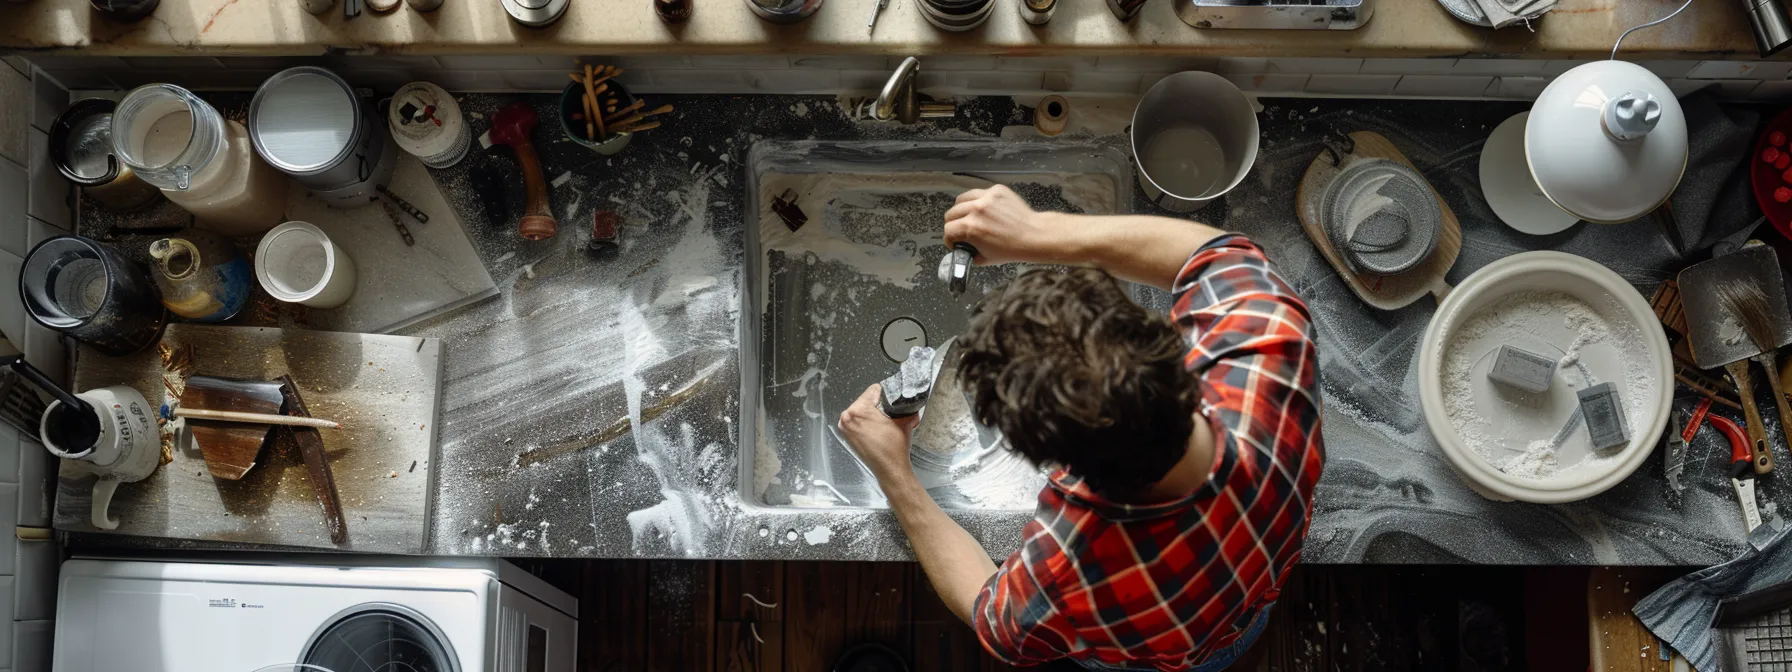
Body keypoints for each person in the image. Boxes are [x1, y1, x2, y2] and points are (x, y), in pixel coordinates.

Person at [836, 184, 1324, 672]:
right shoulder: (1271, 344)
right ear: (1160, 333)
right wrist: (1036, 230)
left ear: (1050, 461)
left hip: (1157, 655)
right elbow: (1212, 255)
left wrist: (894, 473)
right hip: (1244, 609)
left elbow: (991, 617)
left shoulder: (1063, 574)